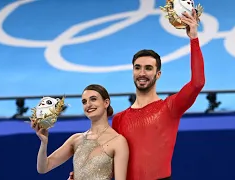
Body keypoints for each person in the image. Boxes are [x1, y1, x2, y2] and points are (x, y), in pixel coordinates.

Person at [68, 9, 205, 180]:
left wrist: (194, 38)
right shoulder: (119, 119)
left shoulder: (170, 107)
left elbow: (197, 82)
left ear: (158, 74)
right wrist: (83, 175)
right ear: (132, 71)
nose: (142, 73)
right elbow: (109, 162)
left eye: (148, 68)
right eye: (137, 67)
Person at [31, 84, 129, 180]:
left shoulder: (118, 142)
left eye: (93, 99)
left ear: (106, 103)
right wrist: (44, 143)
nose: (88, 105)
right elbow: (43, 168)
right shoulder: (76, 139)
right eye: (84, 102)